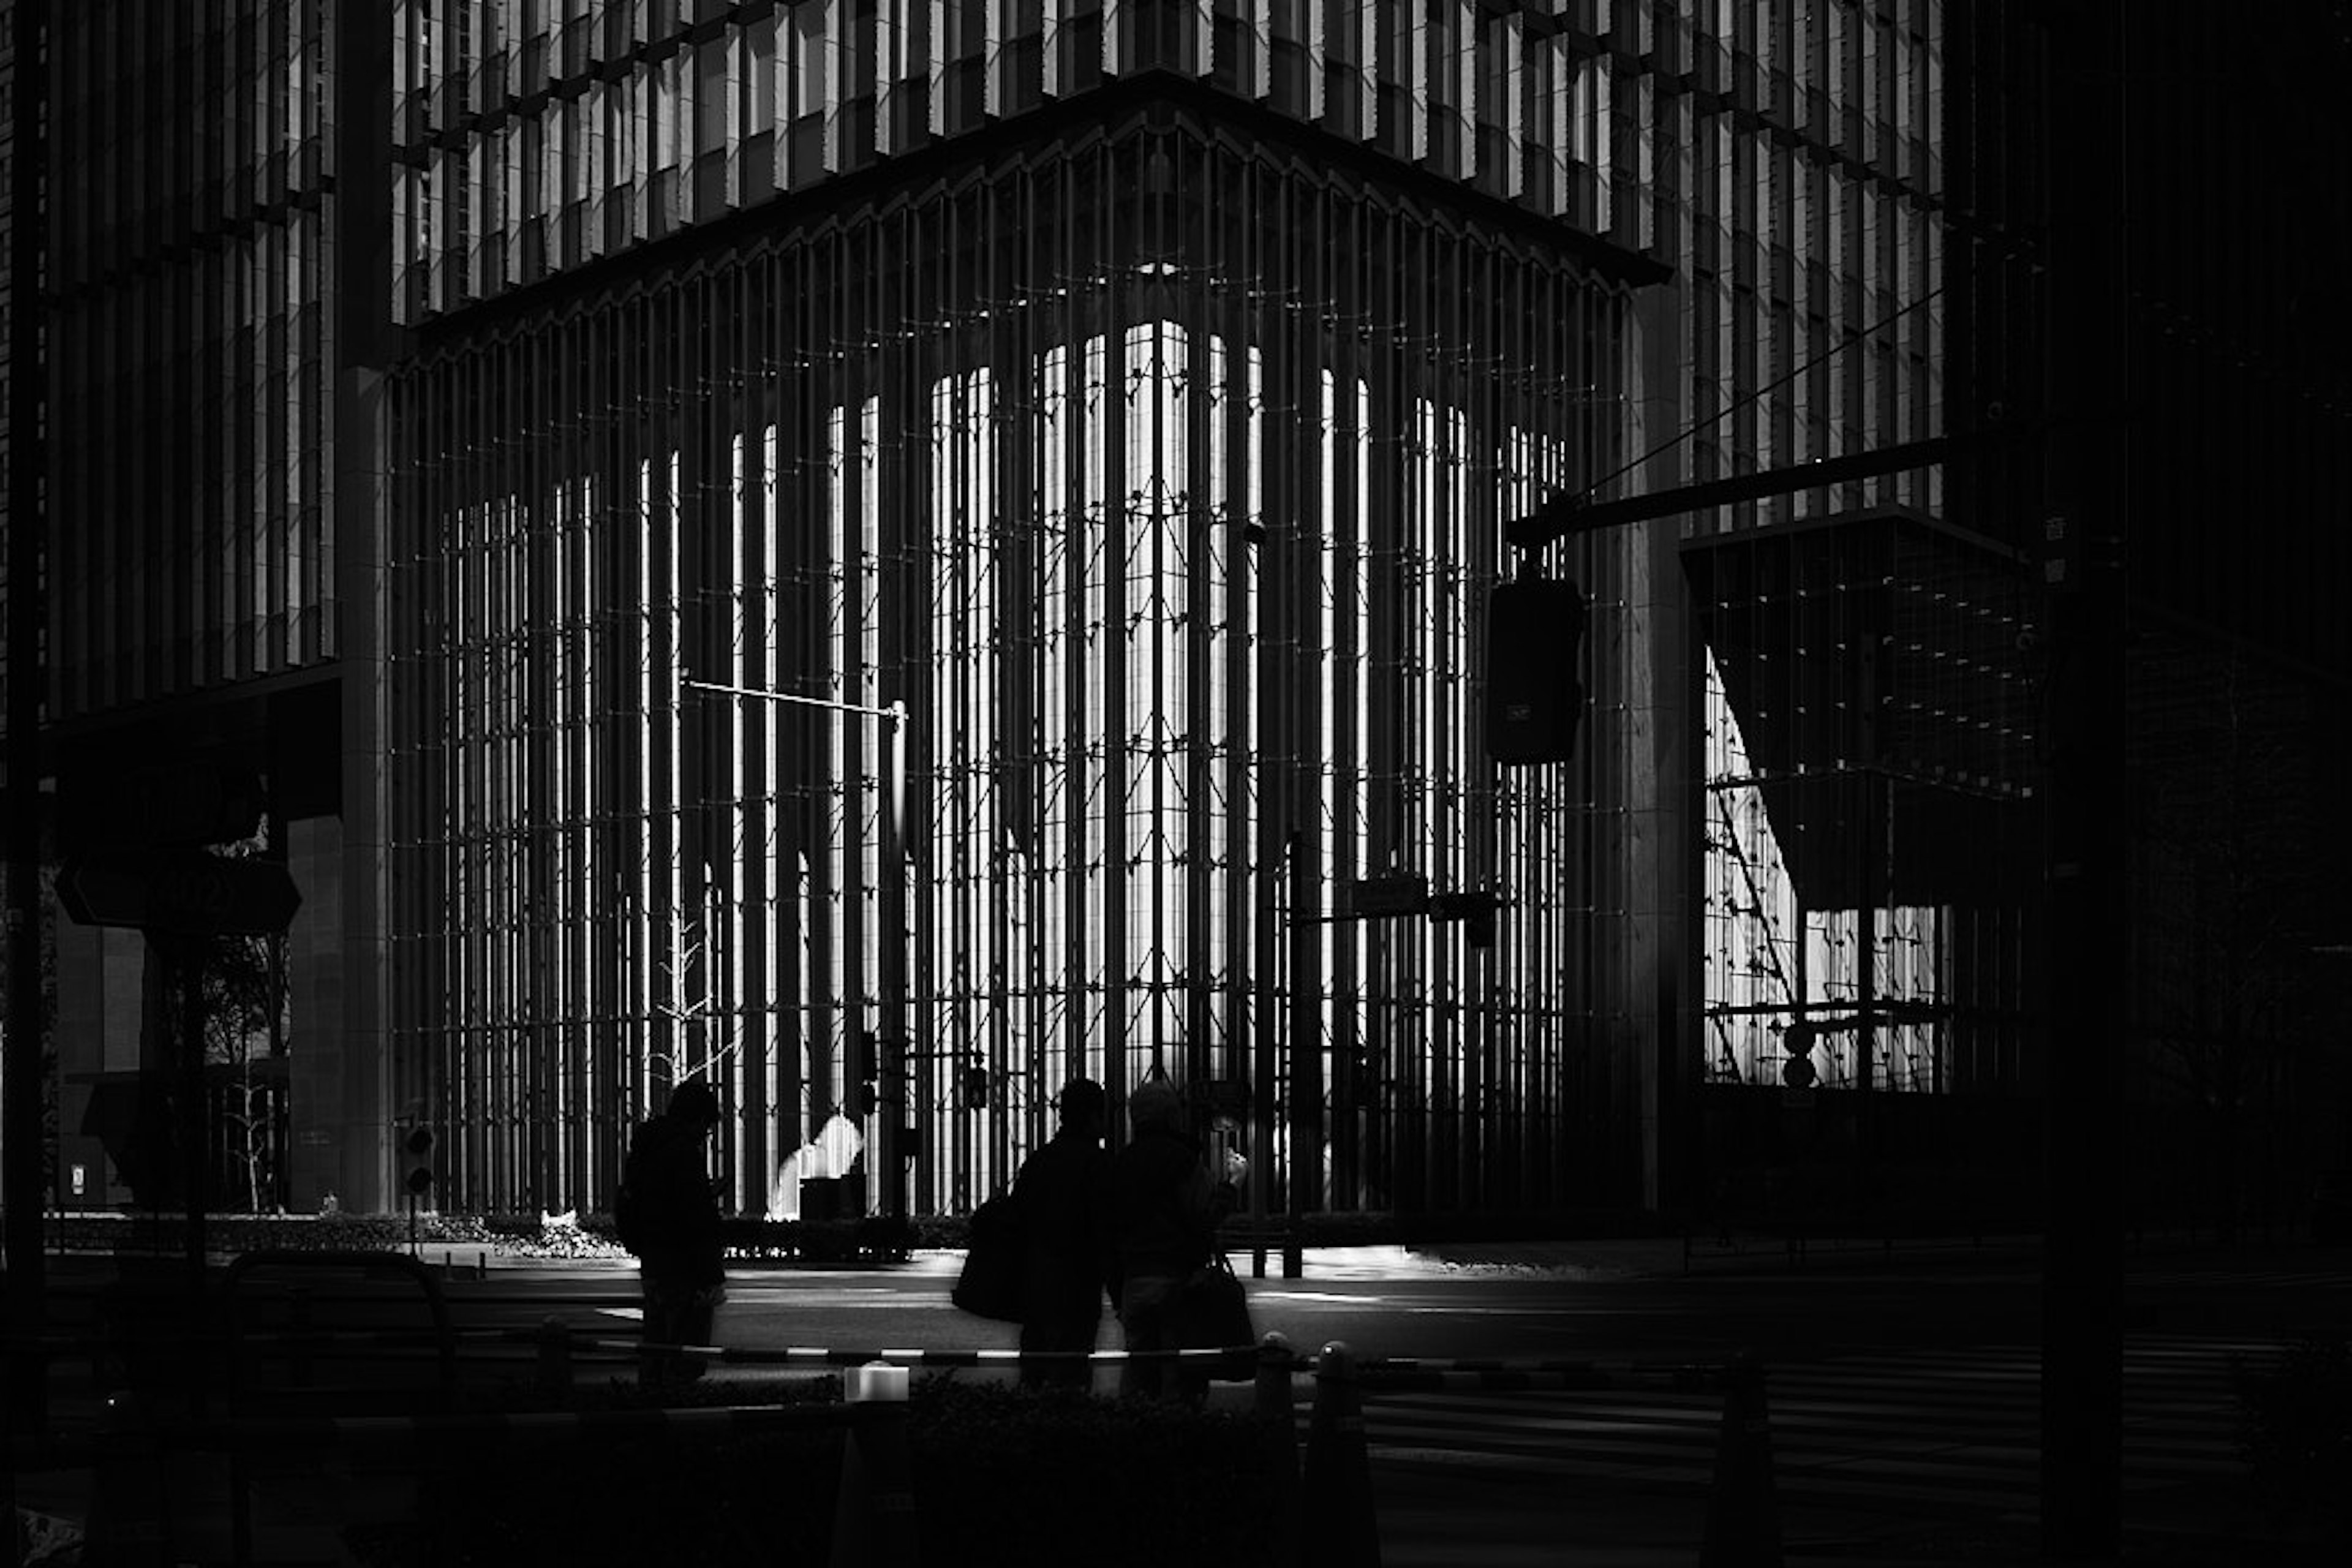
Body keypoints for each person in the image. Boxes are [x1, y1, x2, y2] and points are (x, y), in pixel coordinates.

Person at [1111, 1074, 1237, 1403]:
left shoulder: (1122, 1163)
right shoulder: (1183, 1161)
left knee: (1139, 1370)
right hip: (1179, 1280)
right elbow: (1204, 1216)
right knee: (1181, 1374)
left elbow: (1112, 1228)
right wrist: (1232, 1186)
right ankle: (1179, 1441)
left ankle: (1134, 1437)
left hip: (1135, 1280)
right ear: (1171, 1116)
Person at [1011, 1076, 1118, 1390]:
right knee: (1071, 1370)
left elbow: (1019, 1219)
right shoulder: (1097, 1165)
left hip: (1037, 1283)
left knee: (1034, 1370)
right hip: (1078, 1286)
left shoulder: (1039, 1161)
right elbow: (1105, 1231)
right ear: (1092, 1117)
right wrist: (1116, 1285)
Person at [620, 1077, 726, 1385]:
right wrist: (712, 1277)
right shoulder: (682, 1153)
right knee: (685, 1352)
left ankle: (650, 1408)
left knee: (656, 1342)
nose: (705, 1135)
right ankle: (676, 1415)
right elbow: (695, 1218)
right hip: (684, 1269)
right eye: (706, 1127)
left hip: (654, 1262)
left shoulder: (647, 1147)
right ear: (697, 1119)